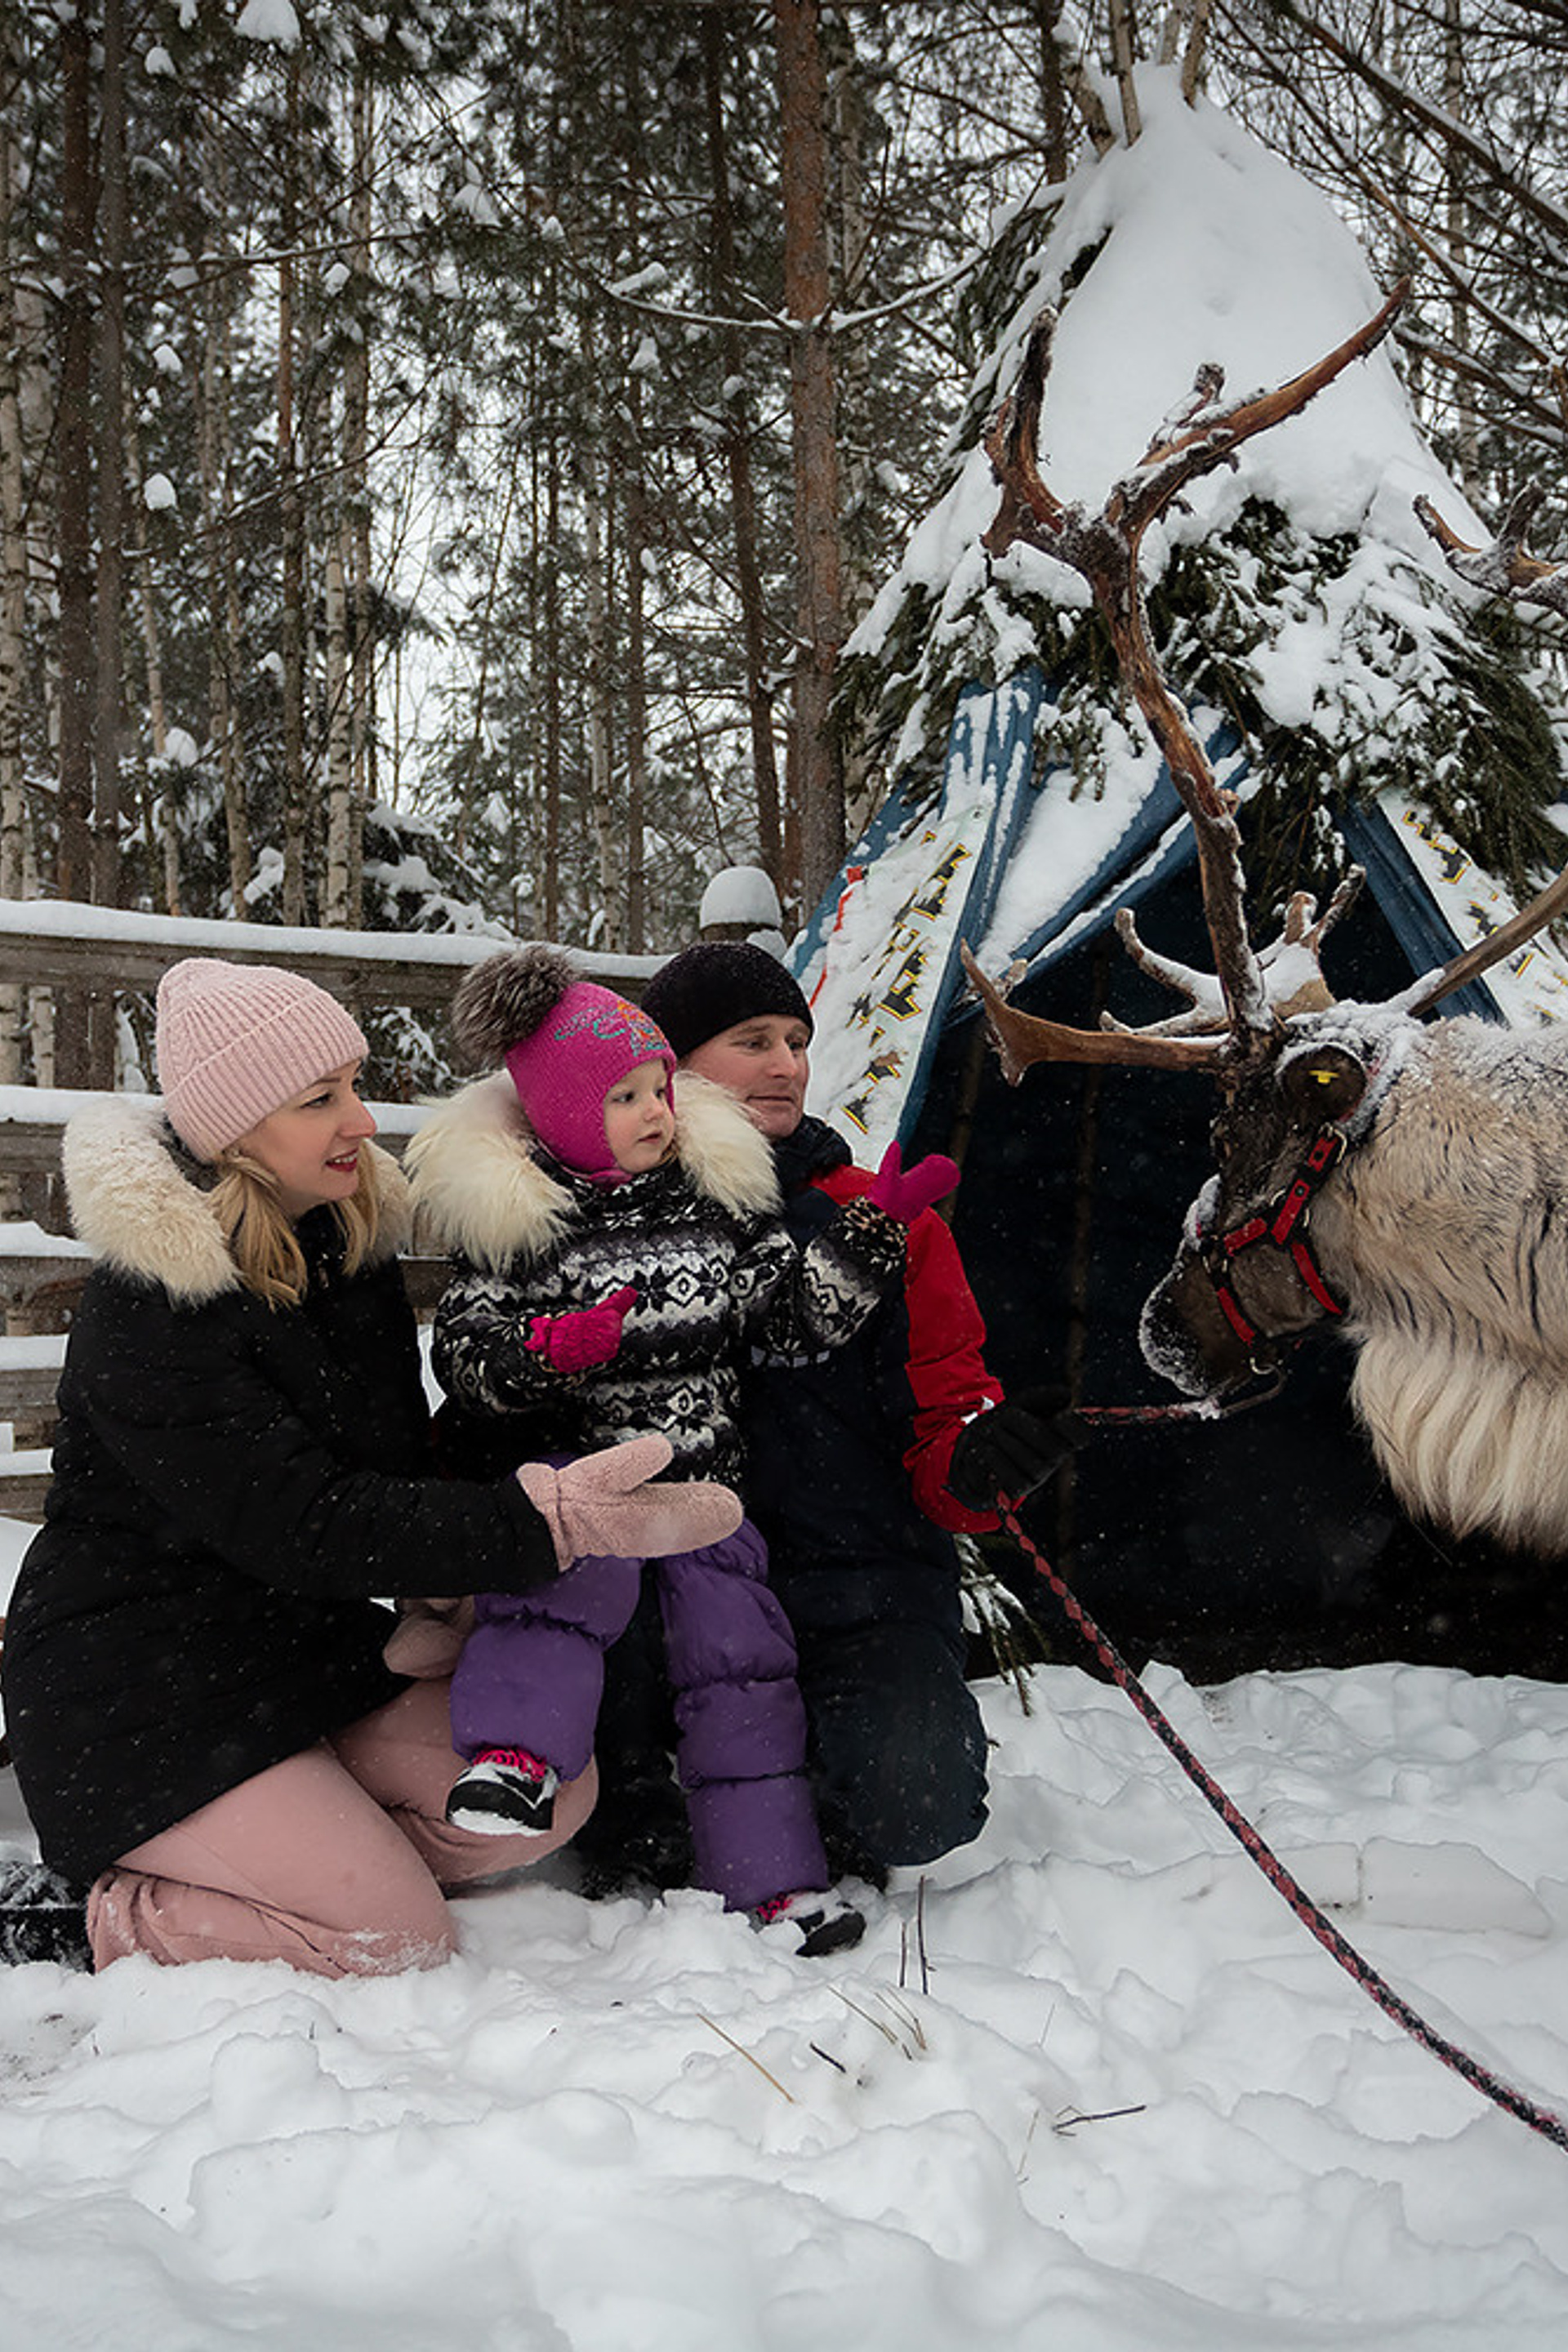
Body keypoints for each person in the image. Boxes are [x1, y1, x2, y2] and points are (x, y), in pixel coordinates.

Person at [0, 958, 739, 1977]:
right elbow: (305, 1521)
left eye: (354, 1085)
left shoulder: (343, 1245)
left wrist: (525, 1453)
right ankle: (95, 1913)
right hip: (141, 1698)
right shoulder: (153, 1305)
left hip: (302, 1660)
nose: (361, 1120)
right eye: (321, 1100)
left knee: (544, 1795)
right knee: (391, 1937)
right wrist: (544, 1523)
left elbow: (396, 1460)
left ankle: (301, 1856)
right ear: (236, 1131)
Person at [403, 947, 955, 1955]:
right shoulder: (522, 1231)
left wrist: (867, 1236)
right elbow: (468, 1359)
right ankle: (516, 1759)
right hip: (592, 1499)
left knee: (744, 1682)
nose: (659, 1112)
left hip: (707, 1501)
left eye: (661, 1090)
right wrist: (543, 1352)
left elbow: (787, 1320)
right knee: (552, 1614)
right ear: (566, 1113)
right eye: (626, 1097)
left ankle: (774, 1886)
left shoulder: (716, 1209)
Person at [571, 939, 1083, 1893]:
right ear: (669, 1068)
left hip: (857, 1593)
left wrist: (980, 1461)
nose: (787, 1065)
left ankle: (806, 1770)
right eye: (752, 1040)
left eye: (798, 1041)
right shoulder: (605, 1223)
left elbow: (947, 1417)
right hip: (666, 1598)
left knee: (914, 1802)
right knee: (609, 1814)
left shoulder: (882, 1221)